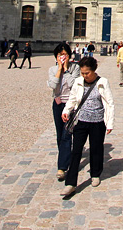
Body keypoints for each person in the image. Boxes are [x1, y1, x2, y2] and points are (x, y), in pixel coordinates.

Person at [60, 56, 114, 197]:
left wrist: (110, 123)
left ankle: (95, 174)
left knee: (96, 149)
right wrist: (66, 110)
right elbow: (72, 98)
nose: (84, 76)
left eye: (87, 73)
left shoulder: (102, 82)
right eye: (82, 73)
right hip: (82, 121)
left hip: (97, 122)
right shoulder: (78, 82)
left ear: (94, 71)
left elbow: (109, 103)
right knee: (76, 151)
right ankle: (70, 183)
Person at [47, 42, 81, 181]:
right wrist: (59, 70)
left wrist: (66, 70)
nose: (63, 57)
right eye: (60, 55)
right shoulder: (52, 70)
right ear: (56, 56)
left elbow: (74, 85)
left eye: (65, 54)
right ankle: (65, 156)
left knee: (67, 134)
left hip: (70, 105)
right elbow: (53, 86)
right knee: (60, 134)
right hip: (58, 105)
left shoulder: (75, 68)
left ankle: (62, 167)